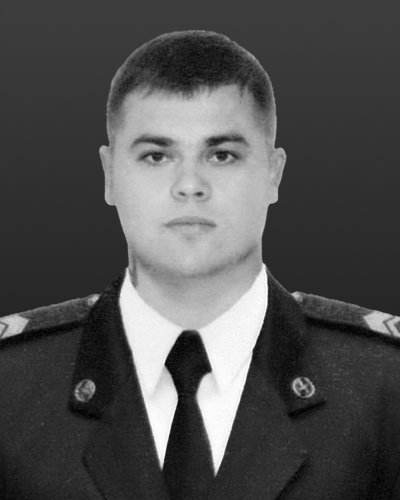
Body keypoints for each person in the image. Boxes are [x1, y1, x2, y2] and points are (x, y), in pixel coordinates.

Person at [1, 30, 400, 500]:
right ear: (109, 175)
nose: (189, 184)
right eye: (156, 156)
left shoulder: (384, 383)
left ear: (273, 173)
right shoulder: (11, 384)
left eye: (222, 155)